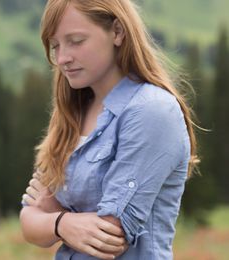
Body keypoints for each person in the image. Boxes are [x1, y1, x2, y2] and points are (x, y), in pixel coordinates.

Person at [19, 0, 198, 259]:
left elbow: (109, 237)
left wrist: (53, 216)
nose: (62, 58)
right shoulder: (71, 116)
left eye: (76, 41)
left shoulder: (152, 110)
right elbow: (28, 222)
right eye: (55, 45)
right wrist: (63, 223)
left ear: (117, 32)